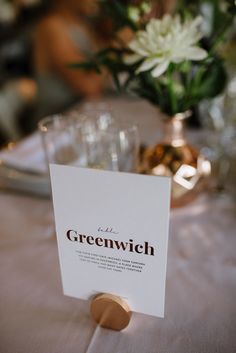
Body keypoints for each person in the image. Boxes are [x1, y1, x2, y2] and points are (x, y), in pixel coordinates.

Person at [33, 0, 105, 123]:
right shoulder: (52, 27)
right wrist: (114, 50)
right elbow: (89, 87)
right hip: (57, 121)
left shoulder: (81, 23)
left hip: (82, 113)